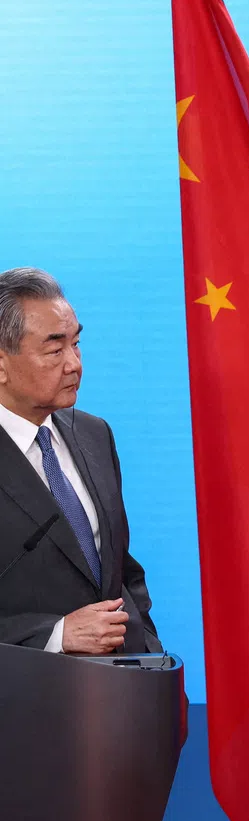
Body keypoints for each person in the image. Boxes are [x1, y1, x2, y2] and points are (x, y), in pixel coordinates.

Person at [0, 267, 160, 653]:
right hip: (23, 700)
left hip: (119, 692)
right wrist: (55, 636)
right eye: (55, 350)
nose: (74, 364)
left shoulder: (94, 434)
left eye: (76, 344)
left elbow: (120, 568)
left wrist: (149, 653)